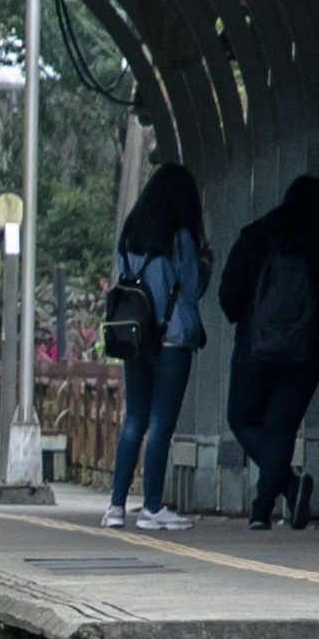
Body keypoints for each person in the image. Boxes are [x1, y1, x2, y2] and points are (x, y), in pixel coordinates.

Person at [219, 173, 319, 531]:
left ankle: (289, 487)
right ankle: (262, 510)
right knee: (281, 430)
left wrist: (250, 318)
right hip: (306, 350)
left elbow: (228, 295)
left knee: (243, 420)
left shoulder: (258, 236)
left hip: (254, 345)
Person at [104, 164, 207, 528]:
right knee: (161, 424)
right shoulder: (179, 237)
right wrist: (204, 260)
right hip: (172, 340)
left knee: (135, 418)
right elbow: (192, 290)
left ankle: (115, 507)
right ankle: (152, 507)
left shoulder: (130, 235)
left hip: (136, 337)